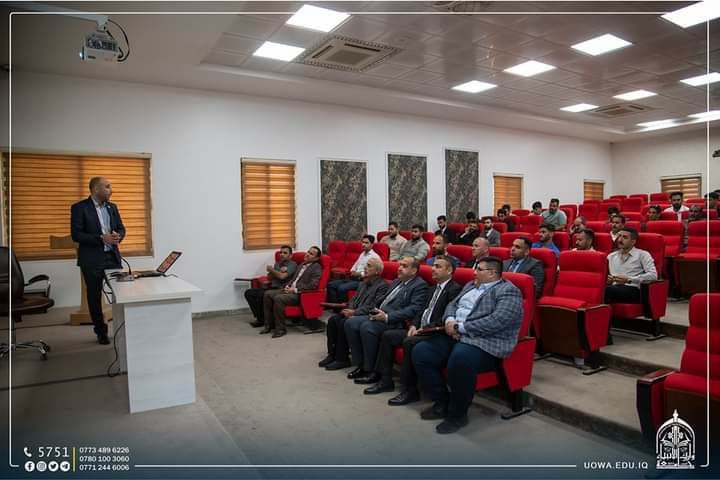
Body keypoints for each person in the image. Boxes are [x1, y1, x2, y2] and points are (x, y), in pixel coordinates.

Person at [412, 256, 523, 434]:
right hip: (455, 333)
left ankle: (457, 415)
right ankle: (442, 401)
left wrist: (460, 327)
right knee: (421, 351)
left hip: (485, 340)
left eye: (479, 269)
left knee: (460, 358)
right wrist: (450, 320)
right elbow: (452, 304)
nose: (474, 272)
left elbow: (497, 321)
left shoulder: (509, 291)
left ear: (492, 273)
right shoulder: (471, 285)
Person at [363, 256, 462, 397]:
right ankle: (385, 380)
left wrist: (425, 328)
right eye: (433, 266)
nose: (433, 269)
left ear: (449, 270)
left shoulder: (454, 290)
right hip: (420, 329)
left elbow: (447, 316)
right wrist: (414, 325)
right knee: (388, 336)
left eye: (438, 266)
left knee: (409, 342)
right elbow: (421, 311)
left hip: (434, 332)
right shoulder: (433, 288)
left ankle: (410, 390)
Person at [344, 257, 429, 383]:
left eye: (404, 266)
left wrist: (387, 316)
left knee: (367, 327)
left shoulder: (419, 285)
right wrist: (373, 309)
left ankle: (371, 370)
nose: (399, 268)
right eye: (400, 265)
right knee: (350, 323)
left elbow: (413, 309)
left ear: (414, 271)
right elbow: (382, 299)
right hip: (379, 314)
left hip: (395, 321)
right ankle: (361, 364)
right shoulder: (396, 281)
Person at [70, 176, 126, 345]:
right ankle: (101, 332)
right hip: (92, 259)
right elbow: (77, 235)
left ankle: (122, 329)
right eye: (107, 187)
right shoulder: (80, 208)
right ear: (96, 189)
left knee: (121, 293)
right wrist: (102, 238)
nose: (111, 190)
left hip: (112, 257)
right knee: (94, 296)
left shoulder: (112, 207)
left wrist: (118, 236)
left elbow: (121, 228)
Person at [320, 259, 388, 370]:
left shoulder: (382, 286)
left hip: (364, 315)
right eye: (366, 265)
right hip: (354, 311)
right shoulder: (363, 283)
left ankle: (342, 359)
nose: (365, 268)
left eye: (369, 266)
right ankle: (332, 354)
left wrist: (355, 313)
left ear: (377, 271)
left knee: (343, 322)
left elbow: (374, 306)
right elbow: (354, 300)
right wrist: (348, 309)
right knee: (333, 320)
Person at [261, 246, 323, 338]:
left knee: (279, 298)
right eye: (308, 252)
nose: (307, 254)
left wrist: (294, 290)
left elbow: (312, 285)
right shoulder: (301, 264)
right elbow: (294, 279)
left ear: (316, 258)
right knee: (267, 294)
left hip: (300, 294)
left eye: (311, 254)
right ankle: (269, 325)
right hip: (290, 289)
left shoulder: (316, 267)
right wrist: (288, 286)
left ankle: (280, 329)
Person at [245, 245, 297, 328]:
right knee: (249, 293)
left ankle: (261, 320)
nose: (282, 254)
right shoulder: (278, 263)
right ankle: (260, 317)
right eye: (281, 252)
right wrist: (272, 272)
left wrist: (272, 270)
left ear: (290, 255)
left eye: (285, 253)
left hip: (281, 289)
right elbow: (269, 277)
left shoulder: (292, 264)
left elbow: (282, 277)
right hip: (272, 286)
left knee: (260, 296)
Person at [605, 228, 657, 304]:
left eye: (624, 237)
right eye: (619, 236)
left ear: (633, 242)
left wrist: (629, 280)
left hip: (633, 289)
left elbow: (653, 276)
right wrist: (607, 280)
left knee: (607, 291)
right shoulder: (611, 256)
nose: (620, 240)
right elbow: (606, 276)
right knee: (601, 290)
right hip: (614, 288)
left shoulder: (643, 255)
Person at [326, 235, 380, 303]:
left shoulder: (375, 257)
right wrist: (353, 271)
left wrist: (360, 274)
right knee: (330, 285)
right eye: (363, 242)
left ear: (372, 244)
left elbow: (374, 272)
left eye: (366, 243)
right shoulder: (362, 254)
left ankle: (343, 307)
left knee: (342, 288)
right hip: (353, 278)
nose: (363, 244)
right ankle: (335, 305)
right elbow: (355, 265)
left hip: (362, 281)